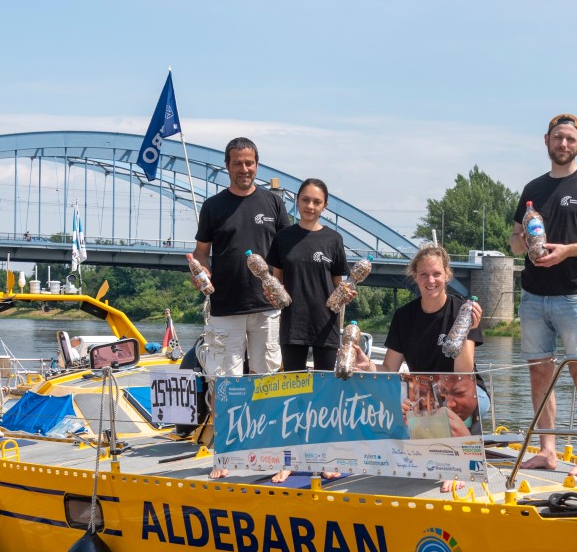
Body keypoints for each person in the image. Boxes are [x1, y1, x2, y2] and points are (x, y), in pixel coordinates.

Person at [510, 113, 577, 478]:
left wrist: (568, 251)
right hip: (533, 296)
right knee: (539, 375)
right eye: (558, 138)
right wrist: (525, 243)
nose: (563, 145)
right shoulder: (532, 189)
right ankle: (547, 450)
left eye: (570, 140)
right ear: (546, 141)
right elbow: (513, 242)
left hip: (574, 296)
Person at [354, 245, 485, 491]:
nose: (431, 280)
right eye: (423, 274)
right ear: (415, 277)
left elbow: (463, 373)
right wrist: (368, 365)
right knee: (396, 401)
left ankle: (460, 465)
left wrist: (466, 330)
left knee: (441, 404)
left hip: (466, 392)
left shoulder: (464, 311)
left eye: (436, 273)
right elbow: (390, 368)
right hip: (422, 395)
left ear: (447, 274)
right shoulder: (404, 316)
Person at [192, 137, 290, 379]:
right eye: (237, 163)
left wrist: (280, 286)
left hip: (267, 306)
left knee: (266, 379)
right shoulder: (212, 206)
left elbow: (286, 252)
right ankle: (222, 419)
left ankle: (263, 419)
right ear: (227, 165)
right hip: (225, 307)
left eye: (249, 163)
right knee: (223, 379)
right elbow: (201, 252)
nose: (244, 169)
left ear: (257, 165)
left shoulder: (274, 203)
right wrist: (201, 272)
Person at [268, 178, 350, 372]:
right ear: (297, 201)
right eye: (305, 200)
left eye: (317, 202)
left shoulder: (334, 239)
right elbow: (275, 281)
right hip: (293, 324)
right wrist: (271, 294)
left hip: (326, 323)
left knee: (325, 386)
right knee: (294, 386)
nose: (310, 206)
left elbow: (338, 284)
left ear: (325, 206)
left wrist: (347, 293)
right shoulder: (283, 238)